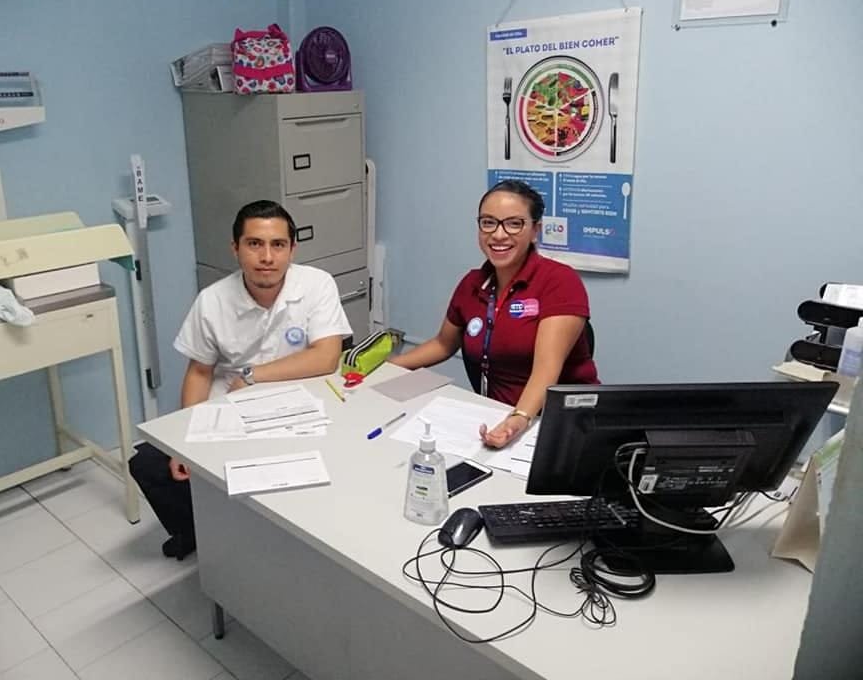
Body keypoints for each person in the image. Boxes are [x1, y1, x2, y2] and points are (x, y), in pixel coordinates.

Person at [130, 200, 352, 560]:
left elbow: (327, 357)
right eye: (254, 244)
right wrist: (185, 446)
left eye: (278, 245)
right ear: (235, 248)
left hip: (300, 407)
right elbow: (199, 372)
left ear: (292, 249)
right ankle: (197, 531)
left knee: (315, 469)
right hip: (231, 409)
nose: (267, 257)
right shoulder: (212, 301)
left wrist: (253, 376)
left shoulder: (316, 284)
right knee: (151, 463)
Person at [391, 179, 598, 449]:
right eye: (488, 223)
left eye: (514, 224)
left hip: (558, 425)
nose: (499, 235)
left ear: (535, 230)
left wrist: (518, 418)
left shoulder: (559, 281)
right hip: (494, 418)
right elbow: (443, 344)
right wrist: (387, 369)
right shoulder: (472, 283)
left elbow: (546, 369)